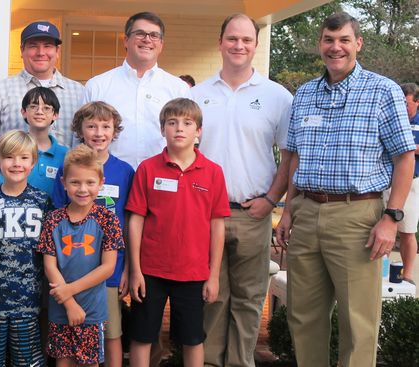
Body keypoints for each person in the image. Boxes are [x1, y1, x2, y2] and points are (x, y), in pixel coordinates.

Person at [275, 12, 415, 367]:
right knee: (303, 316)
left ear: (358, 44)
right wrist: (288, 211)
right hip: (306, 212)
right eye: (328, 40)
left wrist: (392, 217)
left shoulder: (383, 91)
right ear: (320, 44)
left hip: (358, 217)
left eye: (343, 40)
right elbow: (294, 160)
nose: (335, 47)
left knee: (359, 321)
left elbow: (404, 159)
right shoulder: (304, 94)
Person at [190, 14, 293, 367]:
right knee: (212, 296)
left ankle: (240, 362)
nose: (239, 46)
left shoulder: (277, 97)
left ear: (256, 45)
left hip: (253, 214)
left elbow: (288, 158)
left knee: (249, 299)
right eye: (232, 38)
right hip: (206, 215)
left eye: (246, 40)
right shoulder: (197, 95)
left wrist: (270, 200)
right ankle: (210, 362)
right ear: (220, 42)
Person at [126, 98, 229, 367]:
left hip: (194, 272)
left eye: (187, 123)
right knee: (142, 334)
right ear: (162, 130)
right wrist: (135, 269)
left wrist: (214, 275)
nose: (179, 129)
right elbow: (136, 220)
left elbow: (217, 226)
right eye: (172, 123)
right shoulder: (148, 169)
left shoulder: (213, 172)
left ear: (199, 131)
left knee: (192, 338)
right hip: (151, 270)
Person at [51, 101, 134, 367]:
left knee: (110, 332)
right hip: (70, 264)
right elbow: (57, 217)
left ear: (114, 131)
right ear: (80, 130)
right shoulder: (67, 168)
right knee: (69, 332)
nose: (98, 132)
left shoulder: (124, 171)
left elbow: (130, 221)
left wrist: (128, 268)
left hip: (109, 268)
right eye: (91, 126)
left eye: (105, 126)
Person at [37, 144, 124, 367]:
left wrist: (69, 292)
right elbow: (49, 266)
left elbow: (108, 267)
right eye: (75, 182)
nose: (82, 189)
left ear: (101, 183)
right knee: (63, 362)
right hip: (61, 308)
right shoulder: (53, 220)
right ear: (64, 182)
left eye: (90, 182)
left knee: (89, 363)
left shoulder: (108, 220)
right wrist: (68, 302)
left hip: (92, 309)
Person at [0, 130, 52, 367]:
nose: (16, 164)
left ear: (33, 162)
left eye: (23, 158)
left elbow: (48, 248)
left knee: (27, 360)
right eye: (9, 157)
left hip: (29, 300)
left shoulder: (43, 201)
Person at [83, 11, 191, 169]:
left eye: (154, 35)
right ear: (126, 41)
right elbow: (80, 139)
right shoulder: (97, 85)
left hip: (161, 179)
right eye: (140, 33)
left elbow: (189, 140)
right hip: (107, 179)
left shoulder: (178, 88)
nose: (147, 39)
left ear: (161, 44)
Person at [0, 20, 84, 147]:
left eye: (47, 46)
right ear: (22, 50)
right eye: (33, 46)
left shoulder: (79, 93)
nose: (40, 52)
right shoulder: (0, 91)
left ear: (57, 51)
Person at [386, 82, 418, 284]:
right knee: (382, 228)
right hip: (386, 181)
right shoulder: (391, 118)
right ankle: (380, 270)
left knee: (407, 231)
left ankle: (407, 274)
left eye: (407, 103)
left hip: (413, 183)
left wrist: (408, 147)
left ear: (417, 102)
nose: (403, 108)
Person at [19, 87, 68, 197]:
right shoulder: (13, 150)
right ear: (24, 112)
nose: (39, 112)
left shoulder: (67, 155)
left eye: (46, 108)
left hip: (56, 213)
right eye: (33, 107)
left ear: (55, 114)